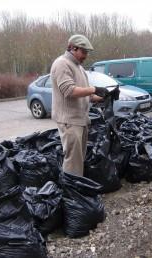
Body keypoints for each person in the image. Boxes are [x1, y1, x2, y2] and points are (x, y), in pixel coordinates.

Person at [50, 34, 108, 176]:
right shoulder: (61, 64)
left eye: (87, 52)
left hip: (80, 120)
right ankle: (72, 193)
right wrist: (94, 89)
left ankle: (77, 189)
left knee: (78, 158)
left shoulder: (79, 68)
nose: (86, 55)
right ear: (72, 48)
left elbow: (86, 94)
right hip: (69, 120)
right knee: (72, 161)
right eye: (83, 51)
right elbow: (69, 90)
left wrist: (102, 97)